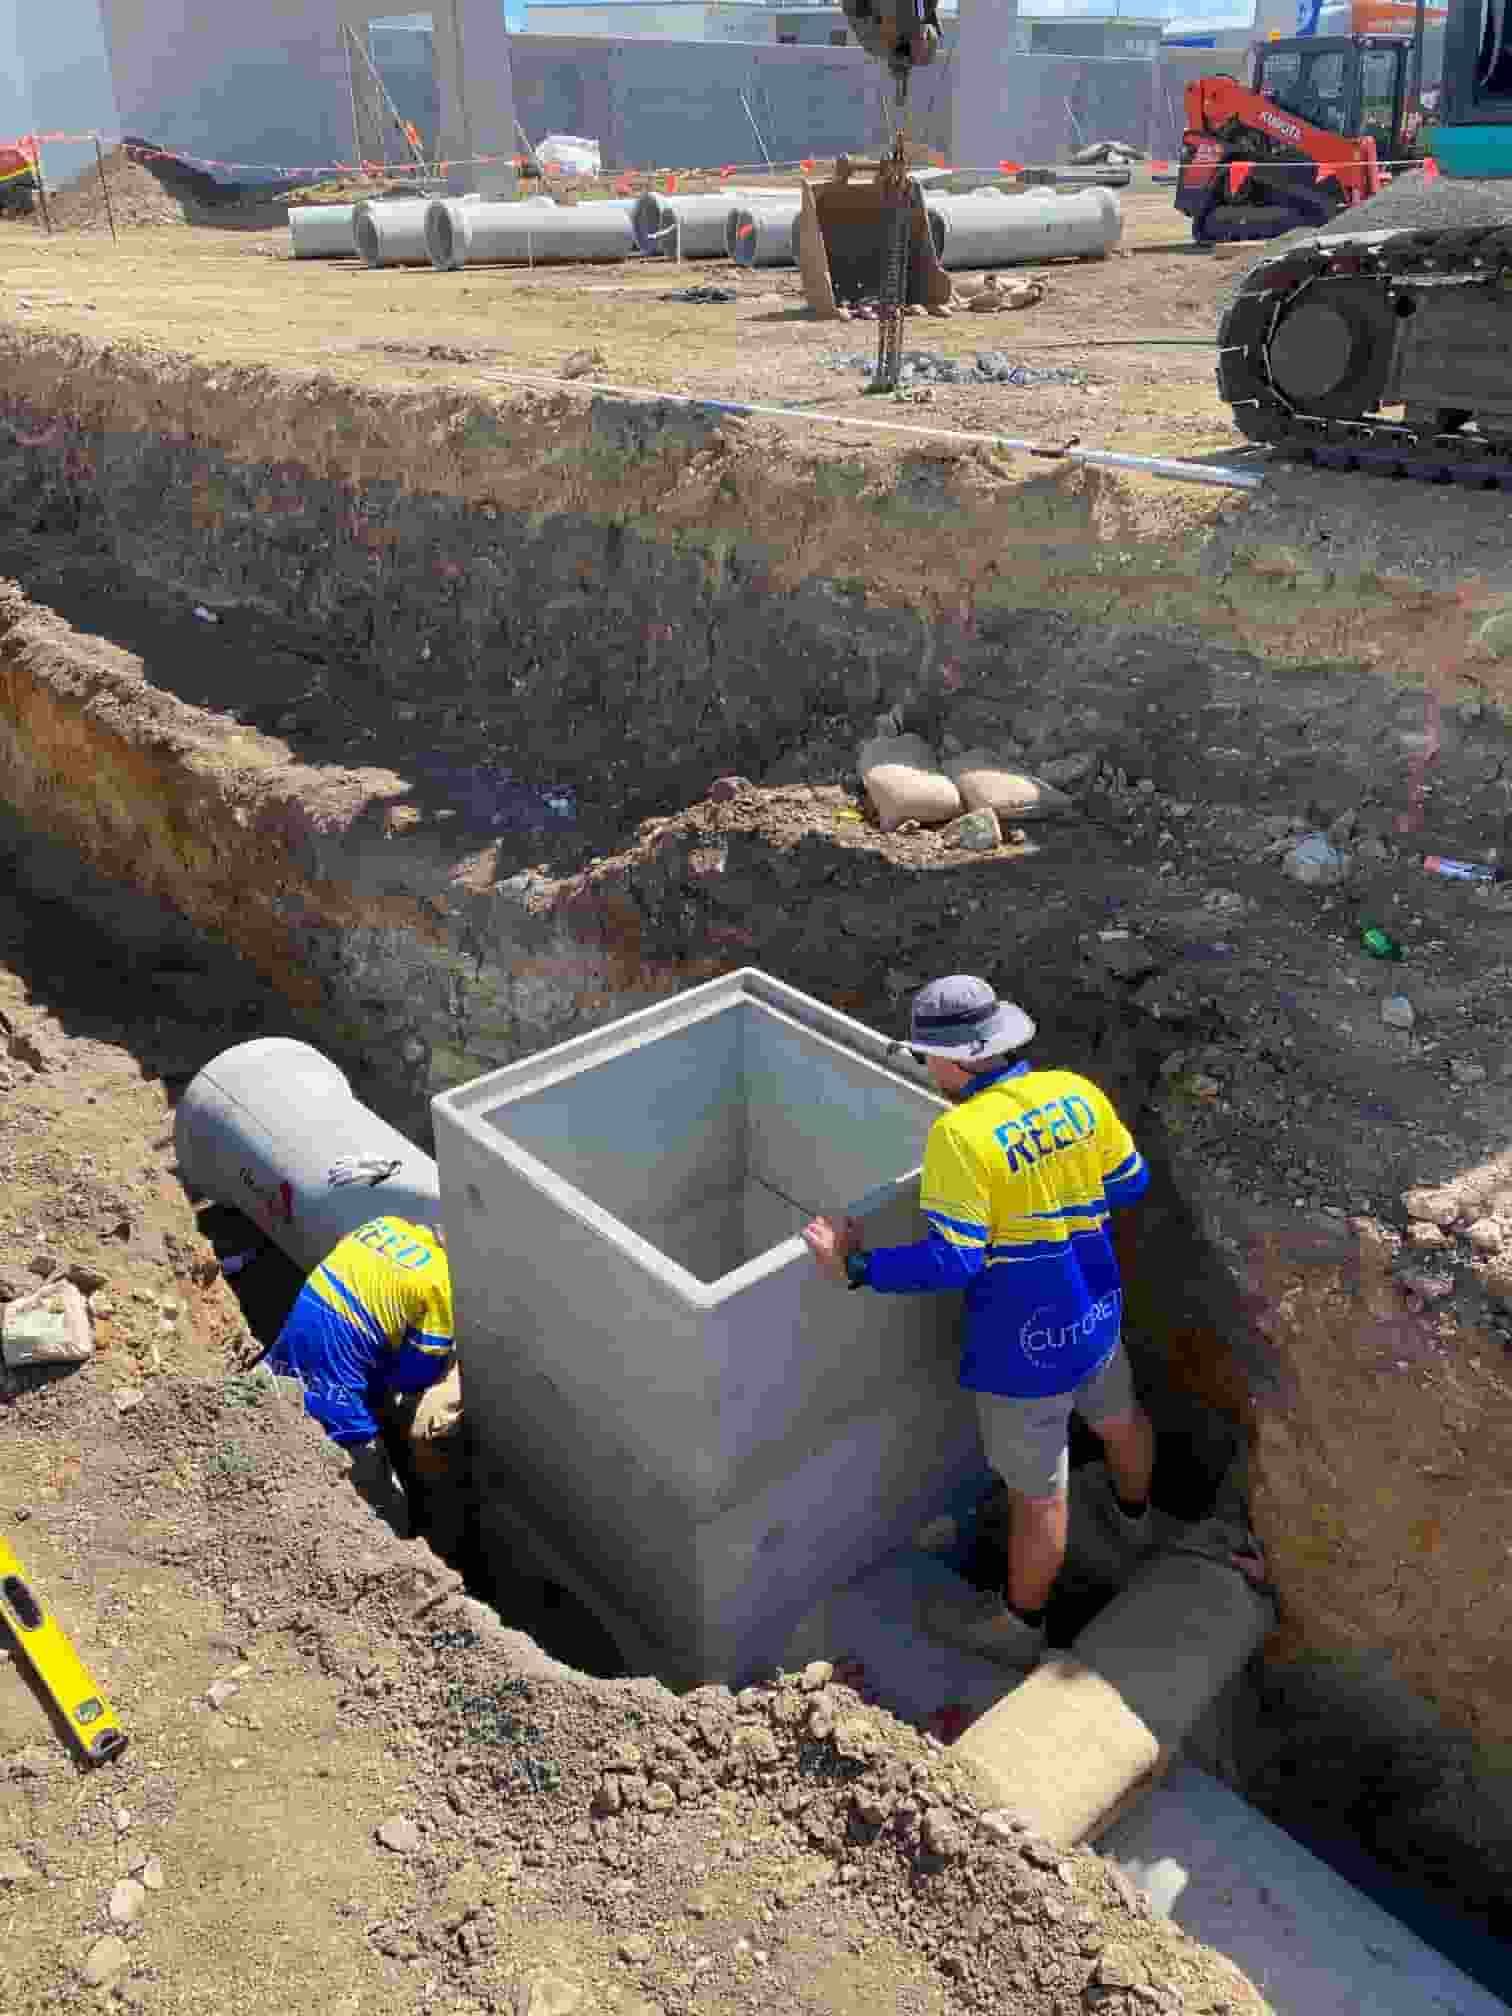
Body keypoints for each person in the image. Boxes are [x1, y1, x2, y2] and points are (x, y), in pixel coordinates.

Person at [802, 974, 1160, 1675]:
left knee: (1038, 1495)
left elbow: (955, 1261)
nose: (924, 1069)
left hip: (1024, 1351)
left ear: (959, 1059)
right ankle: (1139, 1526)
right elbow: (1131, 1183)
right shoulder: (1075, 1093)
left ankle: (1020, 1627)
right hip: (1095, 1313)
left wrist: (856, 1267)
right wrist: (1057, 1196)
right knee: (1119, 1418)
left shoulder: (961, 1138)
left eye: (923, 1056)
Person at [266, 1213, 455, 1537]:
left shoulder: (382, 1225)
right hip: (333, 1397)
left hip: (279, 1369)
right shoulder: (441, 1283)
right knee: (386, 1509)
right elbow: (413, 1378)